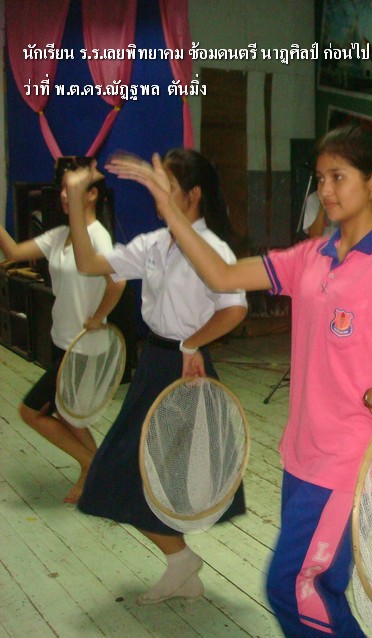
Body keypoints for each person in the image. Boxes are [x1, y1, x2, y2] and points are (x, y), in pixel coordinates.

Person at [106, 124, 372, 636]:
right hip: (302, 455)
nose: (326, 190)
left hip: (351, 461)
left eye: (338, 176)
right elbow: (223, 275)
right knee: (319, 588)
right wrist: (170, 210)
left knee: (294, 586)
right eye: (320, 178)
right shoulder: (311, 256)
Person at [67, 151, 248, 605]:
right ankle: (181, 564)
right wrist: (76, 195)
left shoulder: (212, 249)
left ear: (193, 194)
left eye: (165, 186)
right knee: (129, 473)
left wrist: (192, 344)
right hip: (155, 363)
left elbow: (234, 309)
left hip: (186, 368)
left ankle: (180, 562)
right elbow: (89, 263)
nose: (156, 195)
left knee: (157, 474)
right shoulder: (154, 243)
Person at [0, 166, 124, 504]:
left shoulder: (97, 237)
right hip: (61, 341)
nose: (64, 195)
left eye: (72, 188)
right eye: (64, 189)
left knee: (31, 411)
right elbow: (14, 253)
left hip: (82, 348)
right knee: (70, 414)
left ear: (92, 194)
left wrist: (98, 317)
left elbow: (118, 282)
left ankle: (92, 465)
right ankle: (97, 474)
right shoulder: (60, 235)